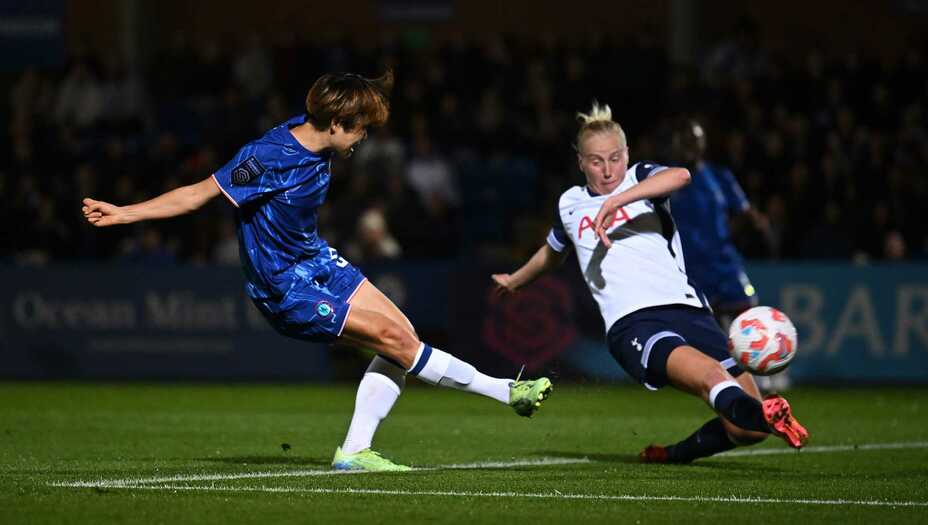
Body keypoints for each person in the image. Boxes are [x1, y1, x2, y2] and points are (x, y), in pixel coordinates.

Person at [82, 70, 552, 471]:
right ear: (335, 123)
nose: (364, 136)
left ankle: (354, 452)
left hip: (317, 260)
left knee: (401, 331)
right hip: (282, 285)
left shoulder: (320, 142)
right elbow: (199, 193)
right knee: (399, 343)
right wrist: (126, 213)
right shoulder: (266, 158)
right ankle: (507, 391)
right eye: (361, 127)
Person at [491, 103, 807, 464]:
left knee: (745, 430)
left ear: (627, 154)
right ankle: (767, 412)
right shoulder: (570, 203)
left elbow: (682, 175)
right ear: (580, 162)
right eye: (596, 161)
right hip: (633, 322)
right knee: (711, 376)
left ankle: (674, 454)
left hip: (689, 308)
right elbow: (553, 252)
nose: (608, 170)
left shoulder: (640, 178)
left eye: (614, 158)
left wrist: (618, 200)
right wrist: (515, 280)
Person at [667, 119, 789, 391]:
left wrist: (756, 225)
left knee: (748, 314)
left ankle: (766, 374)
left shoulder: (719, 177)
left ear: (703, 145)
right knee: (705, 329)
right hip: (689, 270)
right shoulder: (663, 180)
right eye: (684, 140)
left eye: (694, 140)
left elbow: (746, 212)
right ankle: (722, 381)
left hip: (724, 264)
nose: (689, 146)